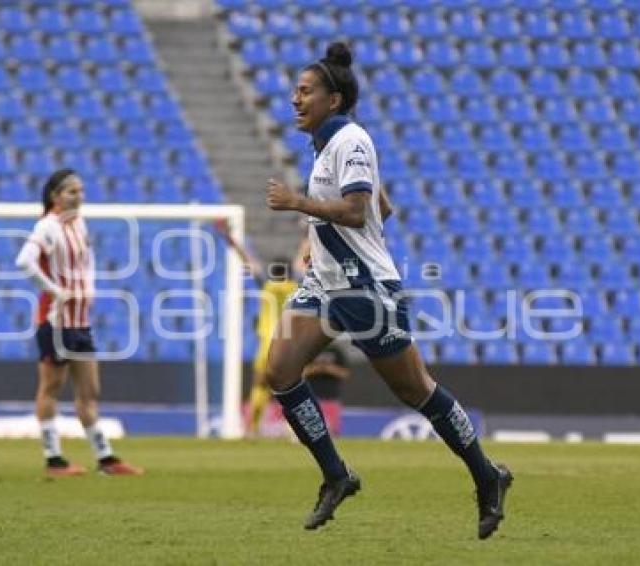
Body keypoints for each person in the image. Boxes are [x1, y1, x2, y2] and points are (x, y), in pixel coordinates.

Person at [263, 43, 512, 538]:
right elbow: (381, 208)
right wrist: (324, 243)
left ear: (333, 100)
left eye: (305, 91)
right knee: (281, 369)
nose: (294, 99)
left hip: (364, 287)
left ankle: (488, 475)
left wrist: (300, 205)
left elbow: (357, 211)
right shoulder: (327, 144)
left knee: (414, 388)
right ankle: (337, 476)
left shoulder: (351, 140)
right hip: (328, 282)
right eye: (295, 90)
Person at [15, 169, 144, 477]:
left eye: (81, 191)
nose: (79, 197)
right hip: (55, 321)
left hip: (80, 322)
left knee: (90, 391)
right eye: (72, 192)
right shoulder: (47, 226)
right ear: (55, 196)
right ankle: (54, 459)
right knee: (51, 388)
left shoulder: (79, 224)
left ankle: (105, 459)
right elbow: (24, 261)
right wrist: (56, 291)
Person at [214, 220, 300, 438]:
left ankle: (251, 428)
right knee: (295, 388)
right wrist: (309, 234)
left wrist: (229, 237)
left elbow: (248, 261)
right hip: (291, 346)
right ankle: (295, 430)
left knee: (260, 385)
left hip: (267, 344)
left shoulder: (268, 286)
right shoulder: (297, 286)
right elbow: (302, 261)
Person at [302, 342, 350, 436]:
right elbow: (299, 372)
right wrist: (315, 369)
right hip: (309, 401)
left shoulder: (335, 351)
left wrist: (328, 369)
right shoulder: (308, 349)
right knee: (309, 433)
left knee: (332, 432)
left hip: (330, 400)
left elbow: (345, 373)